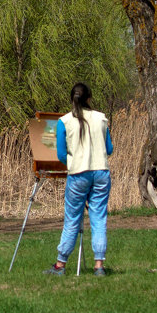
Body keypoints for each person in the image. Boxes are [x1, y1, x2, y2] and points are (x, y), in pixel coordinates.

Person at [44, 83, 113, 276]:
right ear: (89, 98)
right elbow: (109, 149)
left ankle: (60, 264)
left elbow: (60, 154)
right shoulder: (101, 118)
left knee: (72, 218)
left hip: (78, 174)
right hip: (101, 172)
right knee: (98, 217)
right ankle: (99, 265)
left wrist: (73, 162)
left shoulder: (64, 121)